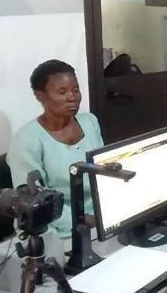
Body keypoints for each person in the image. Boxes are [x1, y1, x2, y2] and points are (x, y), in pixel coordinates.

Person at [7, 60, 104, 239]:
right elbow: (38, 204)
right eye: (62, 92)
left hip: (98, 216)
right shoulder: (27, 140)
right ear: (40, 96)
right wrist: (87, 220)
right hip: (54, 226)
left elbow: (103, 171)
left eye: (76, 90)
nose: (72, 97)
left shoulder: (89, 122)